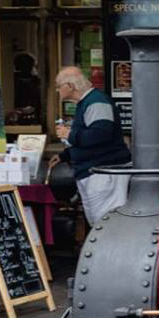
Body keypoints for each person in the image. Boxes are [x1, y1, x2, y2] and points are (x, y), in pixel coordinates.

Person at [54, 66, 131, 226]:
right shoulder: (89, 102)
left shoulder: (96, 102)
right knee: (100, 222)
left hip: (104, 172)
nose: (57, 90)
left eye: (59, 86)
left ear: (69, 86)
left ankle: (109, 251)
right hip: (99, 171)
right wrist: (65, 156)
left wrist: (70, 135)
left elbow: (100, 135)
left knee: (105, 223)